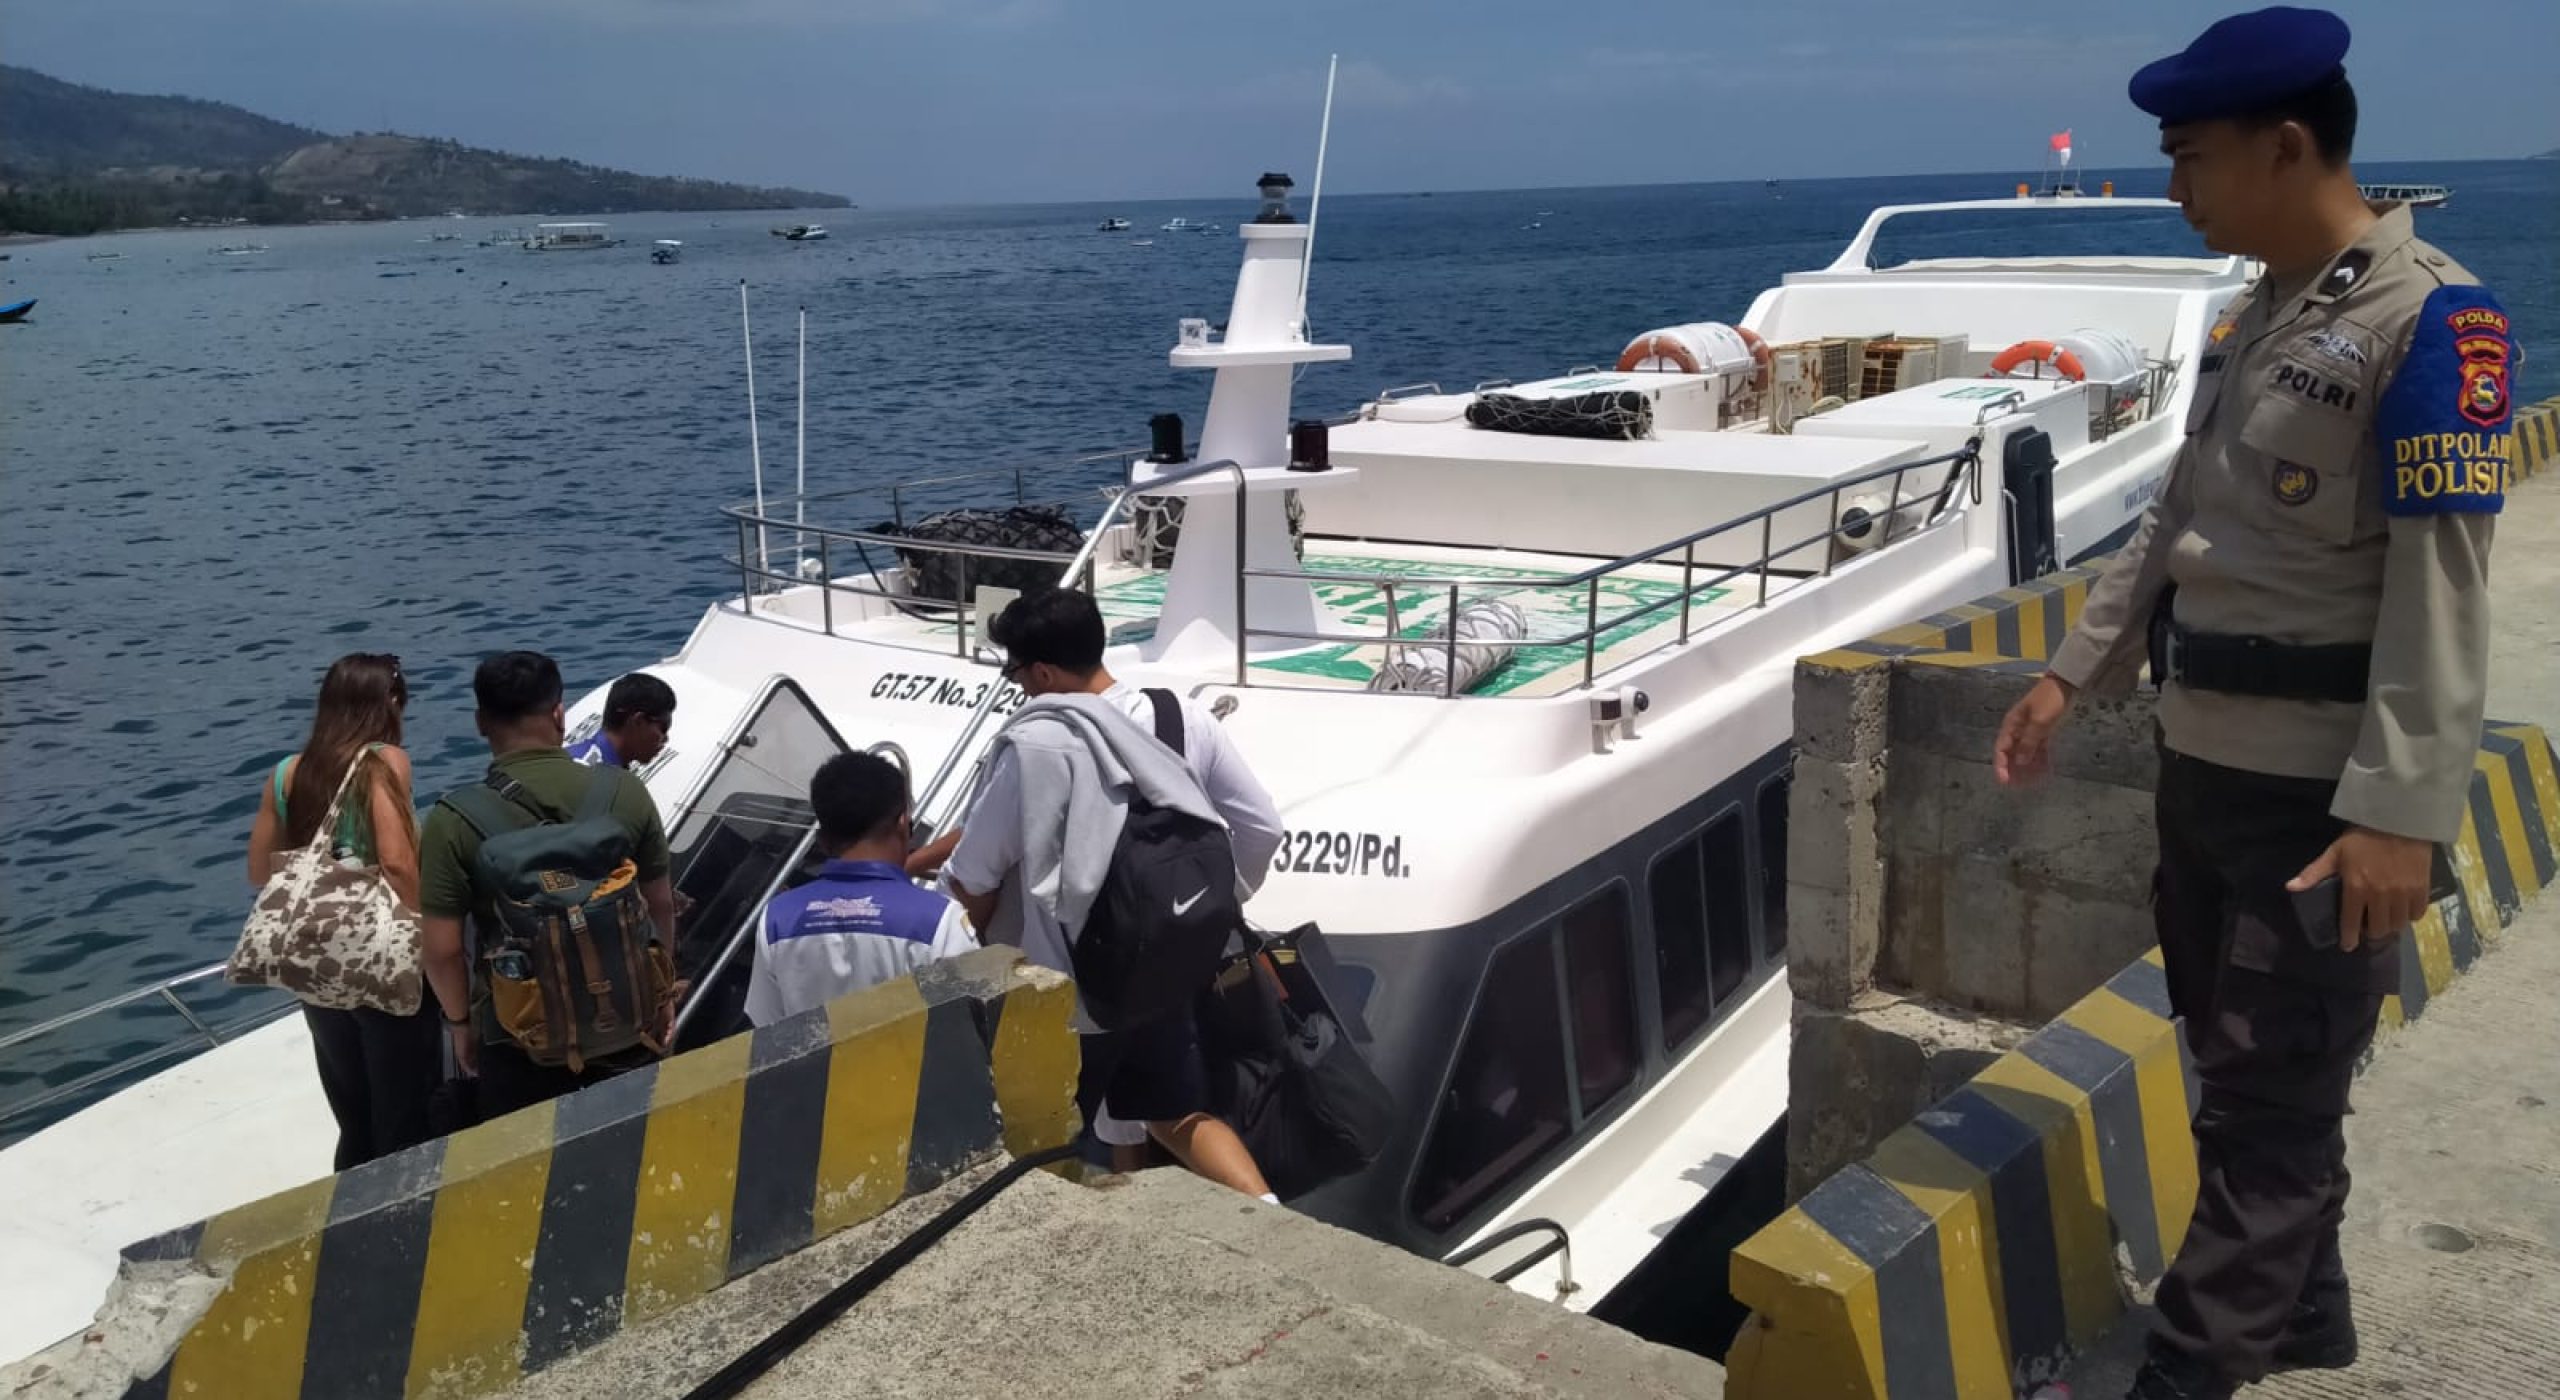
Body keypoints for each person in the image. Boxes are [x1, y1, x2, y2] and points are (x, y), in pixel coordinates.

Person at [1992, 11, 2512, 1398]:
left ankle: (2189, 1372)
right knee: (2245, 1082)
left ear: (2286, 147)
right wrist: (2070, 670)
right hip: (2205, 765)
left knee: (2271, 1113)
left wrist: (2399, 814)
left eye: (2192, 159)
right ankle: (2302, 1323)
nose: (2176, 190)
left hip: (2317, 796)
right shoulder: (2259, 315)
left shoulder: (2430, 321)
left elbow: (2444, 591)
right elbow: (2177, 520)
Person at [942, 588, 1285, 1198]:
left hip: (1070, 989)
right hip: (1165, 965)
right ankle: (1270, 1212)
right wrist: (1209, 909)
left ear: (1044, 673)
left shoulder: (1037, 746)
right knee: (1176, 1114)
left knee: (1041, 1136)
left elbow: (975, 875)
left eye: (1016, 674)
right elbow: (1262, 828)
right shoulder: (1182, 717)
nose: (1019, 688)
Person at [418, 651, 681, 1117]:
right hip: (625, 1021)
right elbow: (659, 904)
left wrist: (461, 1025)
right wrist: (662, 995)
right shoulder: (625, 792)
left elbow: (441, 952)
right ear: (559, 715)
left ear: (481, 723)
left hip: (516, 1037)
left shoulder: (452, 820)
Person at [246, 652, 439, 1171]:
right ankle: (407, 1209)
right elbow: (397, 863)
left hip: (315, 962)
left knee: (354, 1115)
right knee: (405, 1110)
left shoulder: (287, 773)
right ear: (389, 702)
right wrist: (432, 935)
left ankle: (351, 1205)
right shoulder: (383, 761)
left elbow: (260, 871)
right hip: (378, 955)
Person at [744, 750, 978, 1025]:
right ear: (903, 823)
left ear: (822, 839)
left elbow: (767, 1026)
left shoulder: (776, 919)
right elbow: (971, 1026)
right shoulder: (941, 920)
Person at [567, 672, 677, 770]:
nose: (665, 739)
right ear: (638, 721)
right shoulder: (587, 775)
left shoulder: (580, 759)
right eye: (663, 728)